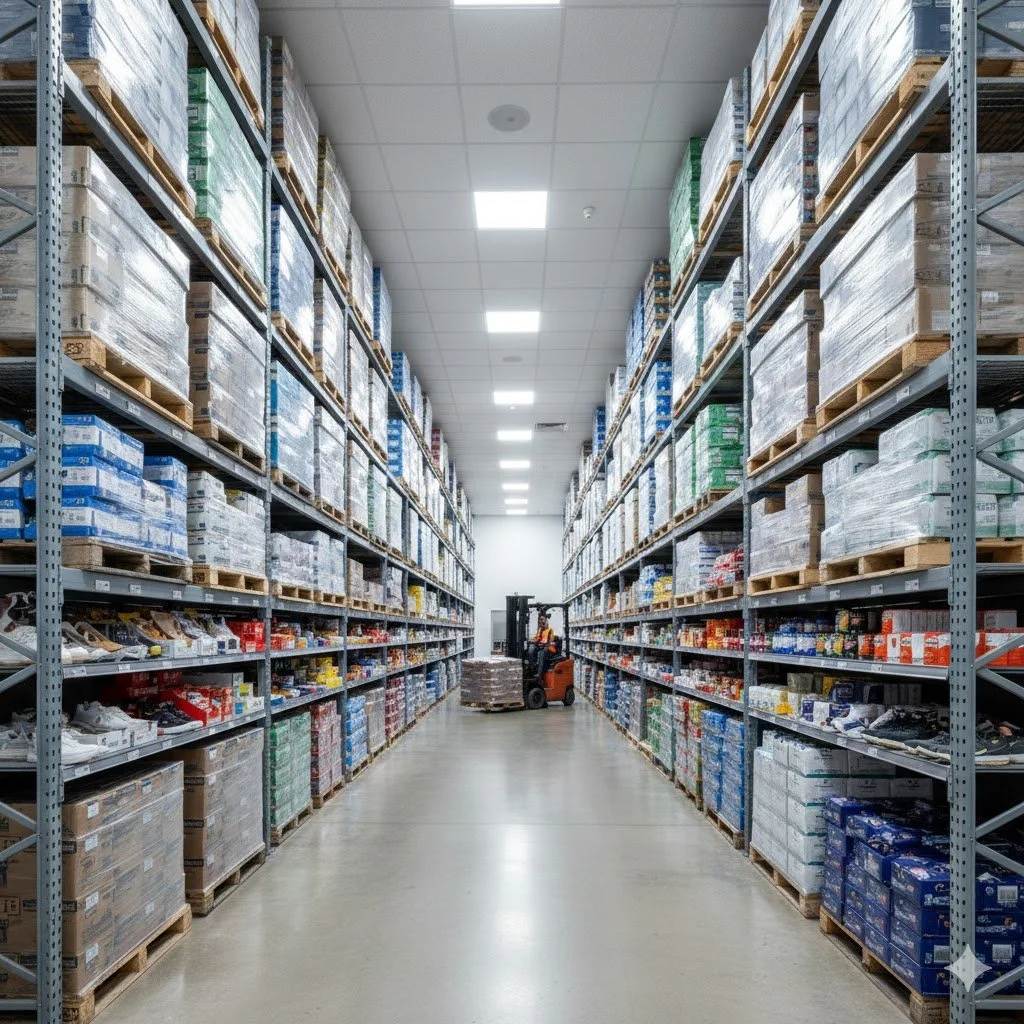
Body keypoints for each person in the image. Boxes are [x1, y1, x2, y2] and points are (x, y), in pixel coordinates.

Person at [529, 612, 557, 681]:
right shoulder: (540, 630)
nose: (540, 621)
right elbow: (537, 638)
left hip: (549, 649)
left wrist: (539, 642)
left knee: (542, 653)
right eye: (540, 620)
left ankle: (539, 674)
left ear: (546, 620)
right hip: (542, 647)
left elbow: (549, 641)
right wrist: (531, 640)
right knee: (531, 649)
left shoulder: (550, 630)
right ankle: (533, 668)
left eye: (542, 620)